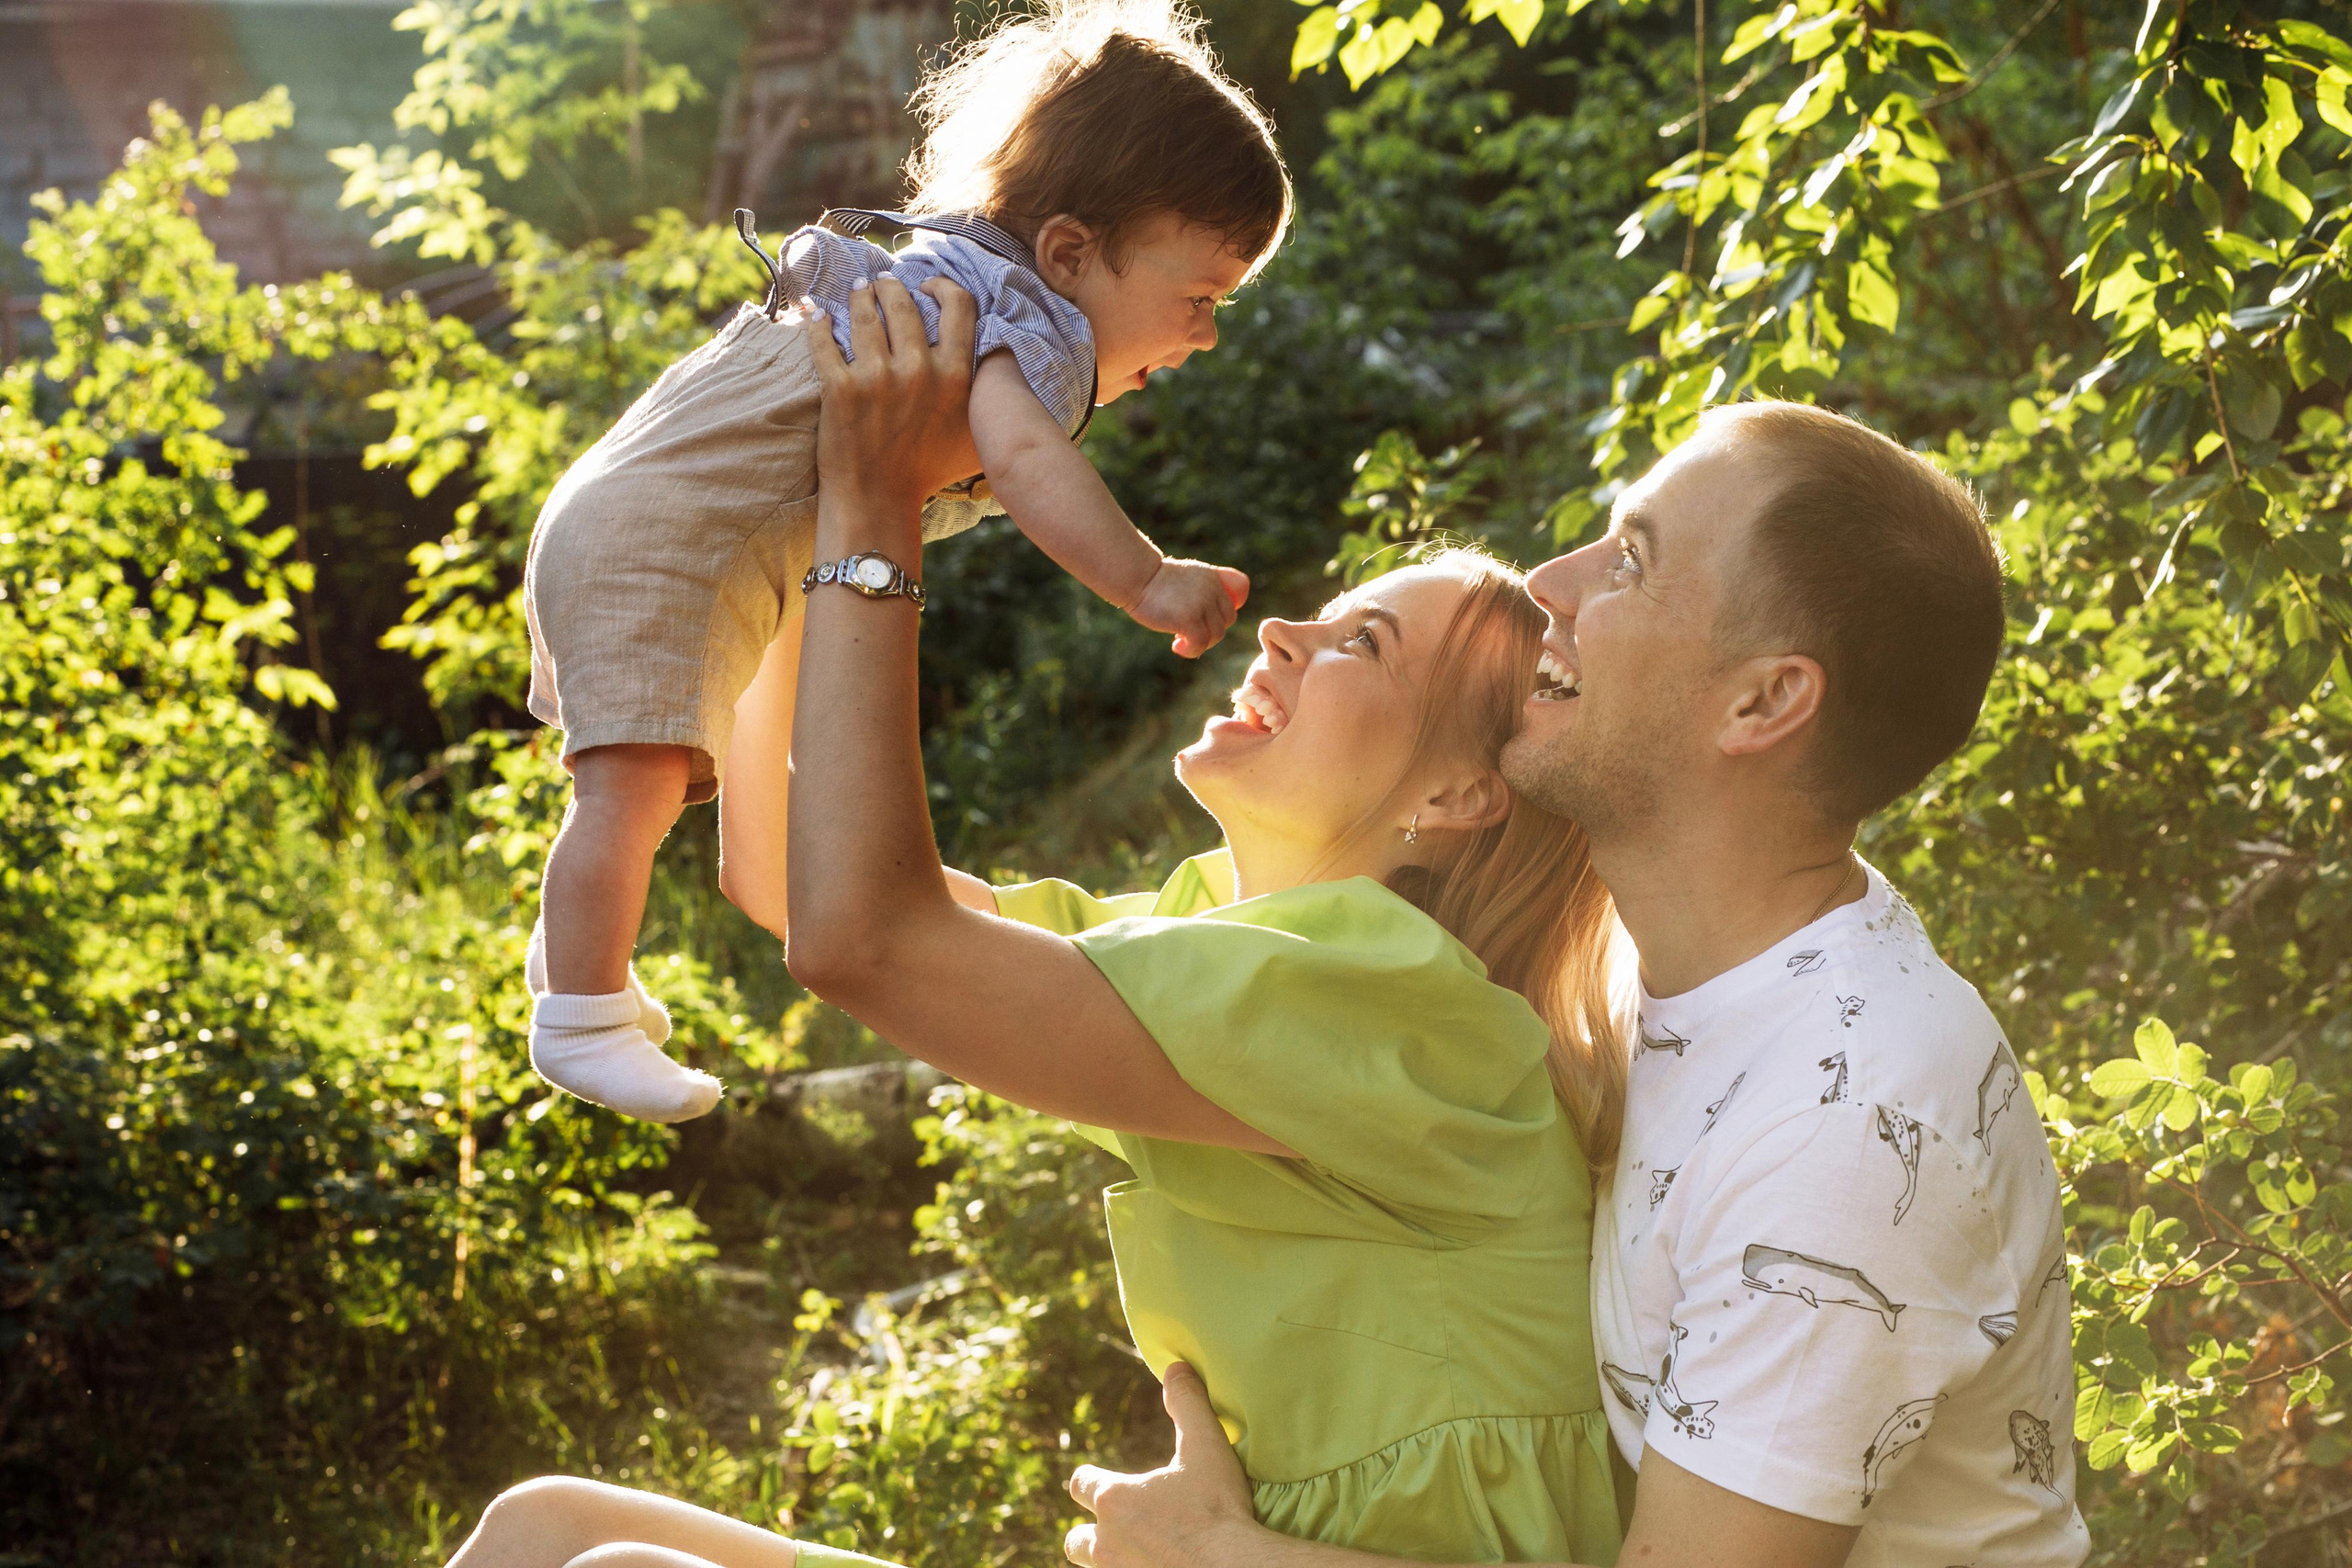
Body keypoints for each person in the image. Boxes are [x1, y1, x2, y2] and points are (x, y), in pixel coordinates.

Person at [442, 270, 1638, 1568]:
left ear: (1460, 792)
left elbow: (864, 937)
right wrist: (783, 506)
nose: (1285, 629)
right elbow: (792, 882)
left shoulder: (1390, 994)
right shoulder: (1220, 930)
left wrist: (875, 506)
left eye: (1363, 644)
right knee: (543, 1523)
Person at [1061, 404, 2090, 1567]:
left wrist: (1213, 1557)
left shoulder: (1844, 1130)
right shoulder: (1690, 982)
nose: (1551, 578)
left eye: (1631, 561)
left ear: (1761, 704)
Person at [516, 0, 1287, 1124]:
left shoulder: (953, 280)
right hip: (666, 537)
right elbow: (1028, 467)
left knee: (628, 791)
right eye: (1199, 299)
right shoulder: (1004, 322)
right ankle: (579, 1019)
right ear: (1070, 251)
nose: (1205, 336)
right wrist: (1149, 579)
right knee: (627, 789)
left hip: (647, 512)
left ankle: (574, 974)